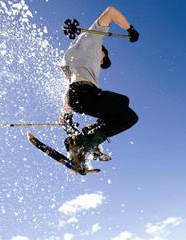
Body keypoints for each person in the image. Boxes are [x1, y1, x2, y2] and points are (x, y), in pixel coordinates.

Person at [59, 6, 140, 168]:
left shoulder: (69, 58)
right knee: (124, 103)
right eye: (104, 58)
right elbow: (110, 12)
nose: (102, 62)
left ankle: (86, 140)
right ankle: (85, 139)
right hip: (86, 93)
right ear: (101, 50)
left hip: (76, 97)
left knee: (127, 116)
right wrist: (130, 29)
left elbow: (69, 91)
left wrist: (66, 115)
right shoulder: (93, 40)